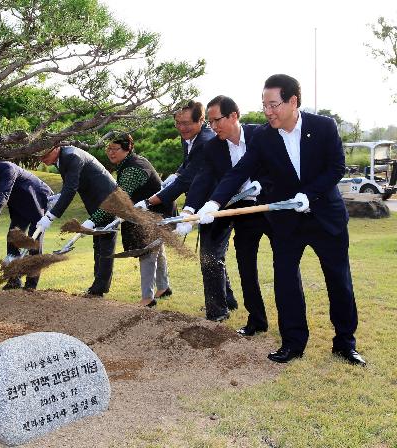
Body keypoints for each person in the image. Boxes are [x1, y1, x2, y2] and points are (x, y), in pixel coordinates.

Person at [196, 74, 365, 365]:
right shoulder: (264, 136)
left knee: (338, 280)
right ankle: (293, 342)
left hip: (326, 217)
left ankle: (345, 343)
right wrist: (214, 202)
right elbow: (239, 171)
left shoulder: (323, 127)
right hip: (288, 221)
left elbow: (336, 168)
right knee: (285, 279)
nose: (268, 111)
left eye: (274, 104)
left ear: (293, 101)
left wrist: (309, 195)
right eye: (264, 105)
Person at [179, 95, 272, 329]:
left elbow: (278, 166)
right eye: (210, 122)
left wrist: (264, 183)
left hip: (267, 205)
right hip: (227, 204)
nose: (213, 127)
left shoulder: (261, 135)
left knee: (283, 263)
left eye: (217, 120)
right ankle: (224, 313)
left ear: (234, 116)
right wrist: (189, 210)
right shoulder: (213, 146)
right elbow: (203, 178)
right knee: (226, 259)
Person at [139, 100, 238, 313]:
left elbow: (188, 181)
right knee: (214, 253)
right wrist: (176, 172)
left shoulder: (206, 141)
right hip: (200, 202)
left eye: (186, 123)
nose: (181, 128)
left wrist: (150, 201)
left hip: (217, 203)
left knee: (210, 255)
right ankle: (227, 299)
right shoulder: (188, 138)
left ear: (201, 121)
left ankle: (217, 311)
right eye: (177, 123)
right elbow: (187, 167)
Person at [37, 144, 117, 297]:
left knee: (105, 242)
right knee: (98, 242)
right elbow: (69, 185)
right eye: (39, 156)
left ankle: (99, 289)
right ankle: (97, 287)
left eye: (45, 154)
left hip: (108, 200)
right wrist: (58, 197)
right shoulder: (62, 158)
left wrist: (51, 216)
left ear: (55, 147)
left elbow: (71, 189)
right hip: (95, 200)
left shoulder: (71, 156)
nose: (42, 159)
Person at [106, 134, 175, 307]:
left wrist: (100, 218)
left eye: (115, 149)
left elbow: (121, 198)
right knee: (157, 248)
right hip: (151, 212)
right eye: (108, 148)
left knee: (148, 251)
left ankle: (147, 298)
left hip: (158, 213)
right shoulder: (128, 163)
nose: (111, 152)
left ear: (127, 148)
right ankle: (163, 287)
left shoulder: (134, 167)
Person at [0, 155, 54, 290]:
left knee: (33, 242)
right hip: (18, 205)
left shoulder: (6, 168)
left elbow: (3, 195)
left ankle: (31, 285)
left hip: (37, 199)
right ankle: (14, 280)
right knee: (12, 238)